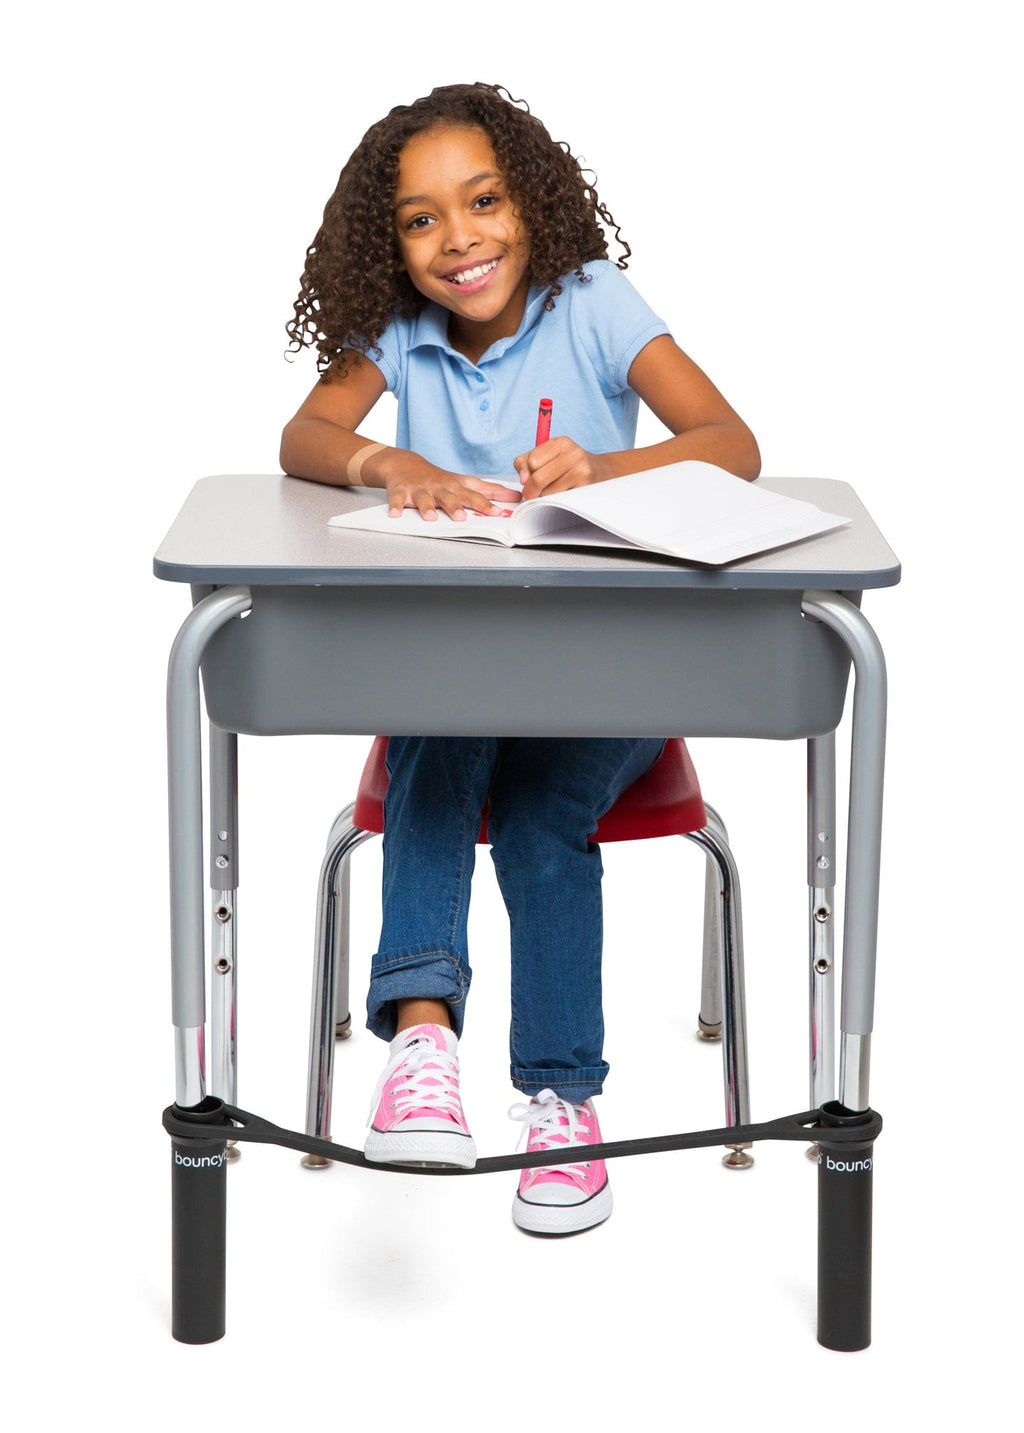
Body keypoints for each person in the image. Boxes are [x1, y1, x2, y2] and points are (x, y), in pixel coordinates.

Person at [281, 82, 759, 1235]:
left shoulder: (592, 302)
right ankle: (423, 1046)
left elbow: (729, 445)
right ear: (386, 246)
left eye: (484, 200)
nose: (460, 239)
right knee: (439, 738)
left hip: (613, 672)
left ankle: (560, 1099)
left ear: (530, 201)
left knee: (544, 814)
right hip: (461, 669)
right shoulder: (402, 331)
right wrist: (389, 465)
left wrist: (602, 469)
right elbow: (304, 437)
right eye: (421, 219)